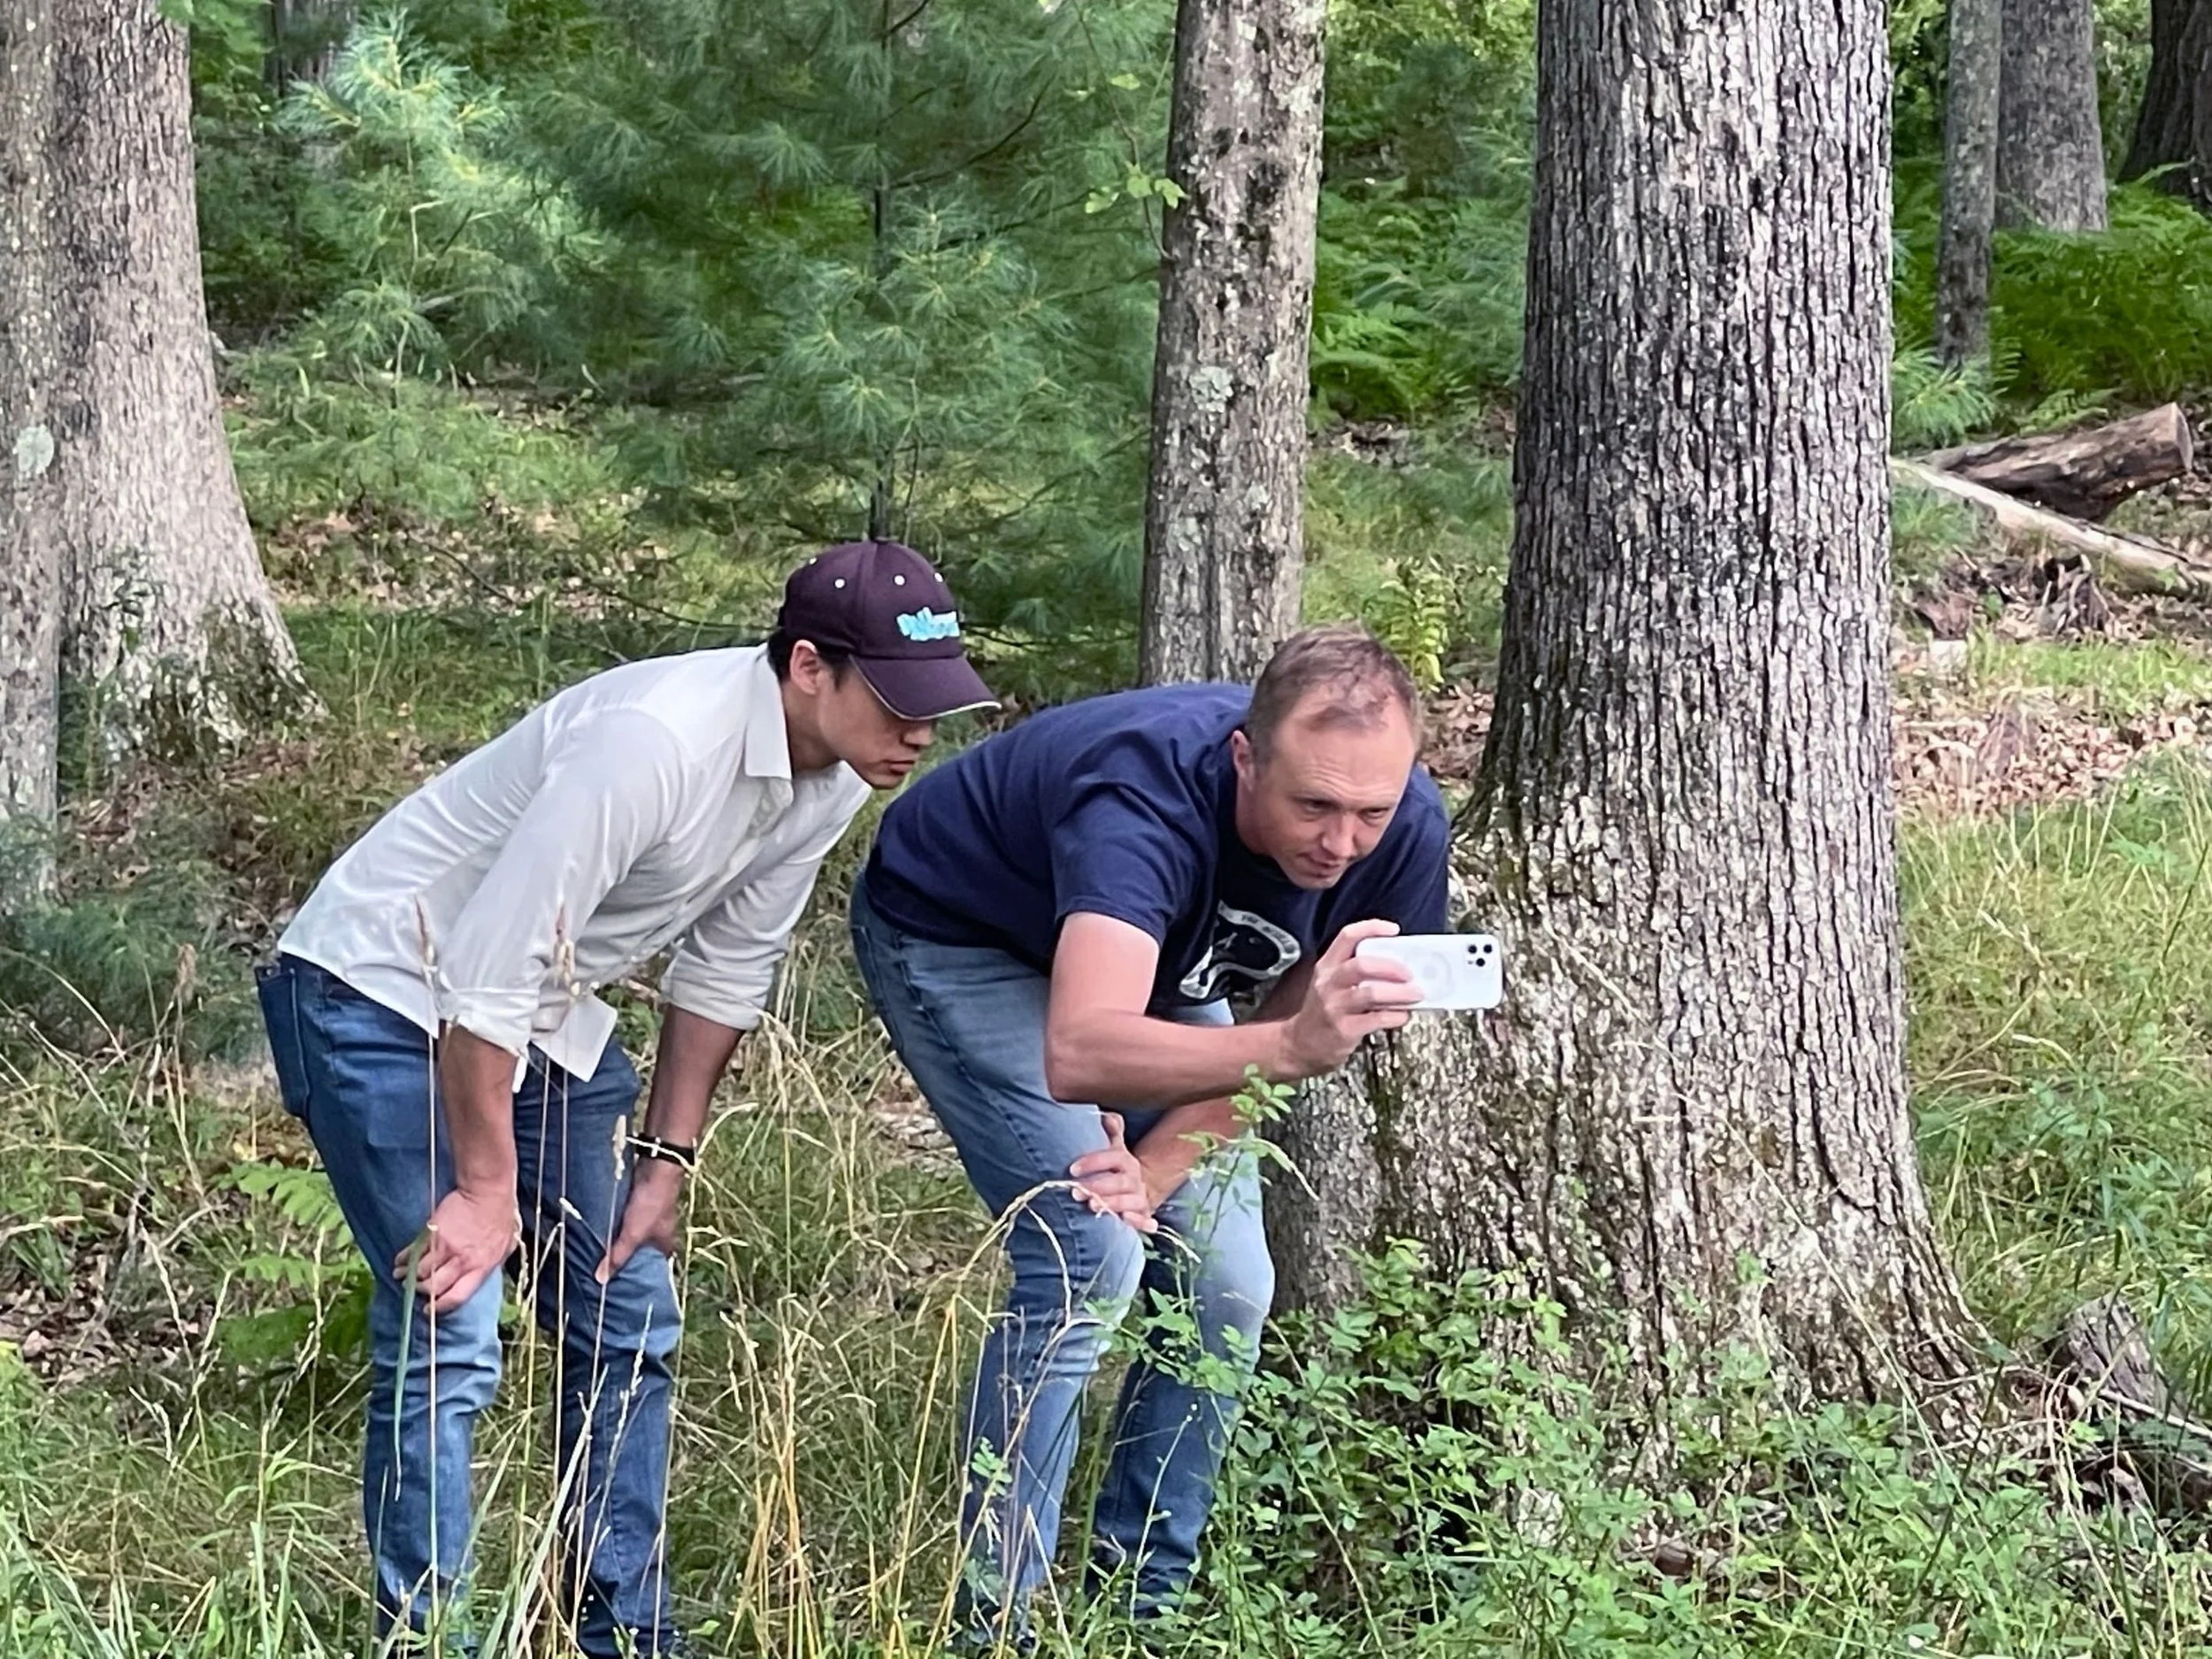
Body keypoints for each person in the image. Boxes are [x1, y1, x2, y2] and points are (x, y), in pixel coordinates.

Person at [256, 541, 995, 1657]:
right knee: (454, 1322)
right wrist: (489, 1189)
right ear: (808, 668)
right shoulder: (653, 746)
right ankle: (428, 1638)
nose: (920, 734)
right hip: (375, 992)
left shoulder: (835, 774)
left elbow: (726, 968)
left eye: (935, 704)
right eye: (898, 702)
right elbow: (487, 971)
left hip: (532, 1020)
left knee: (628, 1309)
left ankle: (615, 1626)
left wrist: (668, 1160)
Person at [848, 624, 1451, 1644]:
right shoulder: (1143, 795)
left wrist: (1161, 1161)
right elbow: (1083, 1049)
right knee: (1087, 1258)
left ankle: (1140, 1610)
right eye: (1312, 805)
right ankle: (1000, 1623)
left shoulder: (1406, 825)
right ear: (1245, 758)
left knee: (1226, 1285)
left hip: (1160, 971)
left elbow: (1289, 1018)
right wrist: (1291, 1051)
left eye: (1369, 812)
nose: (1341, 843)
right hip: (966, 936)